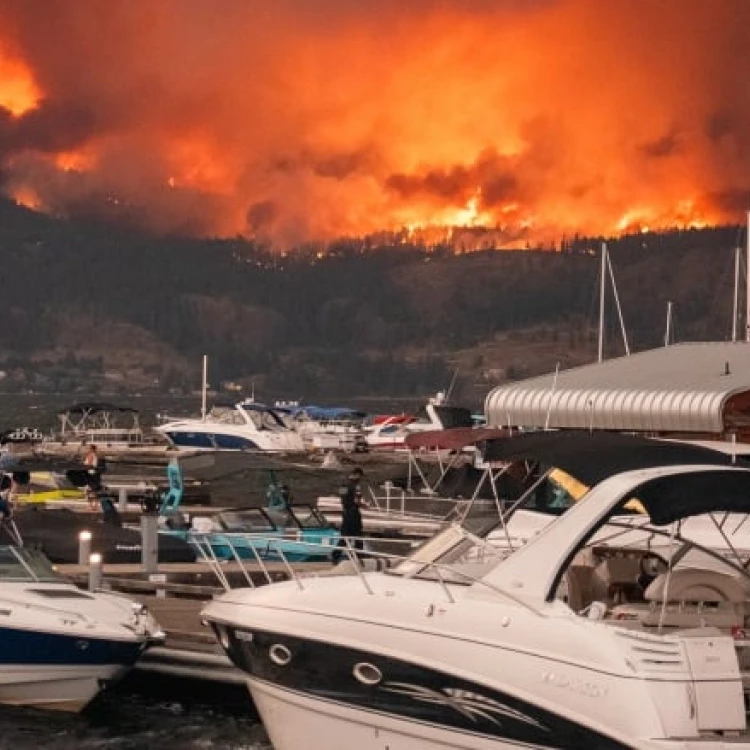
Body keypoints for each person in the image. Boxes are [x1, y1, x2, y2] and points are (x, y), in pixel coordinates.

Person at [331, 467, 366, 565]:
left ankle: (335, 556)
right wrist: (365, 506)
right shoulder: (355, 485)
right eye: (360, 476)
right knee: (358, 535)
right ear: (357, 474)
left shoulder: (343, 484)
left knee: (345, 536)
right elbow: (356, 500)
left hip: (345, 513)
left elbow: (342, 498)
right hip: (353, 513)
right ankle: (359, 557)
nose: (360, 478)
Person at [83, 444, 102, 510]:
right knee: (95, 490)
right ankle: (95, 505)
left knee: (89, 491)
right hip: (95, 474)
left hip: (90, 474)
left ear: (92, 449)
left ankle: (91, 506)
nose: (88, 449)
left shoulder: (90, 455)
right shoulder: (96, 455)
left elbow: (89, 465)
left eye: (89, 448)